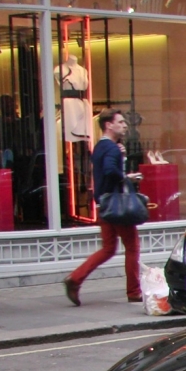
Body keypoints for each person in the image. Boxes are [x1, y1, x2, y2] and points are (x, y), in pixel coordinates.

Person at [64, 109, 144, 306]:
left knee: (108, 248)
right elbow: (109, 170)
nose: (125, 125)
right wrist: (127, 177)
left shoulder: (101, 147)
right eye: (121, 121)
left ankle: (75, 278)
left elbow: (105, 168)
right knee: (132, 247)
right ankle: (134, 291)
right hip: (118, 206)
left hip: (104, 203)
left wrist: (120, 156)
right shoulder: (112, 149)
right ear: (109, 125)